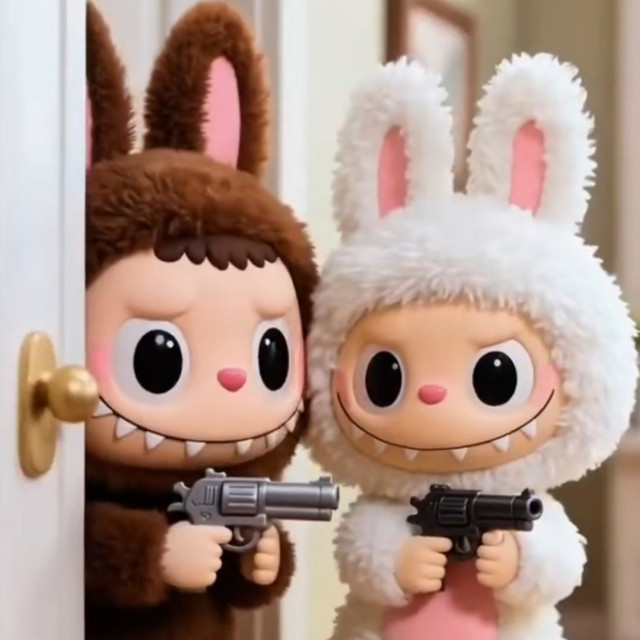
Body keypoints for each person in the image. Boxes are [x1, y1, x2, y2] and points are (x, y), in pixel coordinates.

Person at [305, 54, 638, 640]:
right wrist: (396, 564)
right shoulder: (388, 511)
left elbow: (560, 562)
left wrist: (521, 563)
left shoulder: (529, 512)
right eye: (386, 376)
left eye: (494, 376)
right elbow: (361, 548)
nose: (434, 394)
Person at [84, 3, 317, 639]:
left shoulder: (227, 489)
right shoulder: (64, 504)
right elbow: (75, 552)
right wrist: (152, 555)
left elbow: (243, 587)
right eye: (157, 354)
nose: (236, 378)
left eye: (271, 353)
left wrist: (259, 562)